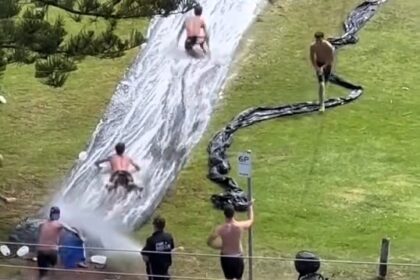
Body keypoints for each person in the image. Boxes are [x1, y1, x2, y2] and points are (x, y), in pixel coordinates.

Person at [207, 201, 255, 280]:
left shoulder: (220, 229)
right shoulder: (240, 226)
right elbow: (251, 220)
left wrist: (219, 246)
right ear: (234, 213)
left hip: (226, 258)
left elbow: (209, 242)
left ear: (224, 214)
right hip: (238, 257)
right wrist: (250, 206)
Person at [37, 206, 79, 280]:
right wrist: (80, 236)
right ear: (57, 215)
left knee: (42, 273)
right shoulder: (59, 224)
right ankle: (51, 275)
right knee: (55, 266)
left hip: (40, 250)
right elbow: (71, 230)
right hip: (52, 251)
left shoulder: (42, 223)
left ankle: (44, 276)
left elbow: (39, 232)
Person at [309, 31, 335, 112]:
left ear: (323, 39)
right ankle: (322, 105)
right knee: (321, 84)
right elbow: (312, 57)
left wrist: (323, 67)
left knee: (325, 83)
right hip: (319, 64)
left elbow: (330, 60)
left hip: (327, 65)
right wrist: (316, 67)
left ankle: (322, 99)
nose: (318, 42)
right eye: (316, 40)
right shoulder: (313, 46)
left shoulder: (329, 47)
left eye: (319, 40)